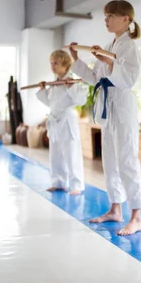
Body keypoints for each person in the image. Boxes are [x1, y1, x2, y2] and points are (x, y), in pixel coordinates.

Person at [69, 0, 141, 236]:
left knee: (127, 160)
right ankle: (115, 209)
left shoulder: (129, 47)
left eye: (110, 16)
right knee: (110, 161)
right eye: (105, 16)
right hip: (107, 108)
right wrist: (76, 59)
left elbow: (129, 78)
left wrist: (110, 62)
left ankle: (136, 216)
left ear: (126, 19)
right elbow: (94, 78)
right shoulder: (108, 44)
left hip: (122, 107)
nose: (106, 20)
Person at [36, 49, 88, 195]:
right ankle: (58, 182)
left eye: (56, 63)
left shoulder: (73, 81)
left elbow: (80, 100)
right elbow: (50, 103)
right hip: (54, 121)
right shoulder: (53, 83)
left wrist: (70, 87)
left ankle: (76, 185)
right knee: (56, 153)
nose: (52, 66)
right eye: (51, 63)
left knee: (71, 154)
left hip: (66, 121)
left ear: (65, 65)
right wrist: (42, 89)